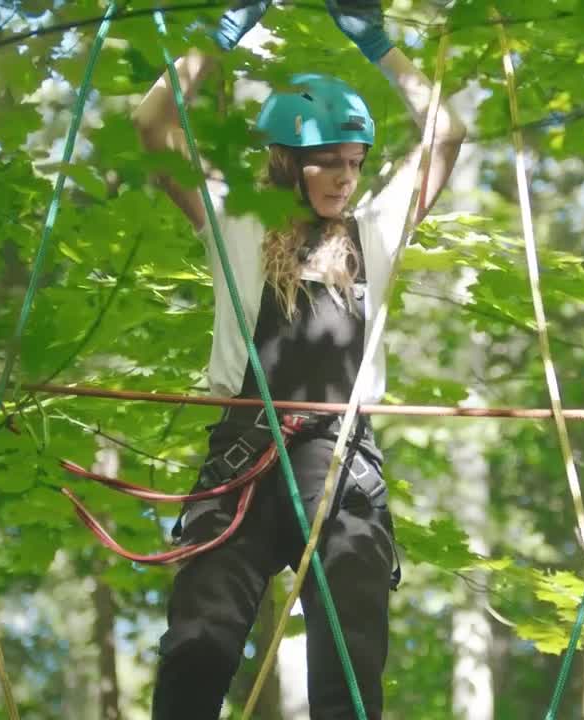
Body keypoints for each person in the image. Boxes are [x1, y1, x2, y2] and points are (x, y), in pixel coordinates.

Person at [131, 1, 466, 717]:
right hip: (242, 459)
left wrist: (379, 46)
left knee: (349, 670)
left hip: (343, 466)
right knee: (196, 655)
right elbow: (152, 128)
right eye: (328, 163)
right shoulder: (236, 222)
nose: (346, 178)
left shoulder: (374, 234)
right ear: (286, 162)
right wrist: (219, 35)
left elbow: (446, 134)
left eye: (355, 163)